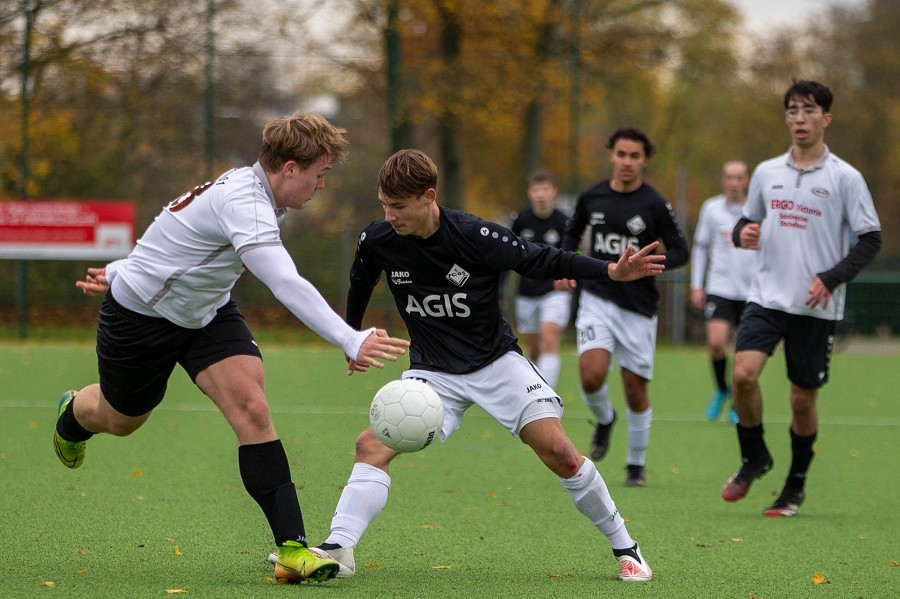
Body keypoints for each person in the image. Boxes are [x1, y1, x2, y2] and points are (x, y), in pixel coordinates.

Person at [55, 112, 411, 583]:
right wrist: (350, 336)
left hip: (206, 314)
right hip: (142, 318)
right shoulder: (245, 199)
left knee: (253, 409)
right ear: (288, 168)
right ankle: (73, 413)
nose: (321, 185)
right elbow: (283, 280)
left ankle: (292, 549)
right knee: (121, 419)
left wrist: (122, 265)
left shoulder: (262, 193)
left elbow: (184, 238)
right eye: (319, 174)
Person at [312, 149, 665, 582]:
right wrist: (352, 337)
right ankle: (338, 548)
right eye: (384, 205)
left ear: (428, 196)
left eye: (399, 207)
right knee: (371, 445)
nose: (390, 216)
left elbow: (541, 259)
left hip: (496, 363)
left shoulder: (474, 234)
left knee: (560, 453)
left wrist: (610, 270)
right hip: (433, 372)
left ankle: (626, 548)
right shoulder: (379, 239)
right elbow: (361, 278)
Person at [721, 80, 881, 517]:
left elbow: (870, 239)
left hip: (815, 306)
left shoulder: (845, 177)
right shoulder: (767, 172)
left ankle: (794, 486)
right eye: (792, 110)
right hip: (766, 297)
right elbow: (746, 224)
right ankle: (755, 456)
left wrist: (831, 278)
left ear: (825, 118)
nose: (799, 118)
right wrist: (742, 233)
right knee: (743, 375)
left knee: (801, 399)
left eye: (808, 110)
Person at [558, 127, 689, 486]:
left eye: (635, 156)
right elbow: (570, 235)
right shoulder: (591, 198)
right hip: (597, 297)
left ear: (644, 160)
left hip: (638, 308)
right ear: (611, 156)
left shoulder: (655, 204)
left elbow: (681, 250)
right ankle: (604, 419)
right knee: (591, 374)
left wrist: (649, 263)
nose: (627, 162)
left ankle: (635, 464)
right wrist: (564, 265)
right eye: (621, 154)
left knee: (635, 388)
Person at [690, 160, 756, 424]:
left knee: (744, 354)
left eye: (739, 177)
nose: (733, 183)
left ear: (747, 181)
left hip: (752, 292)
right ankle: (721, 390)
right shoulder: (711, 208)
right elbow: (701, 246)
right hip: (719, 289)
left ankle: (738, 404)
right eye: (729, 177)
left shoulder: (757, 210)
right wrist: (697, 285)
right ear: (723, 180)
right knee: (716, 344)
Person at [508, 170, 572, 388]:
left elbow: (573, 256)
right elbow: (506, 255)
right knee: (533, 349)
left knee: (549, 337)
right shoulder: (520, 221)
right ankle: (535, 387)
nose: (541, 194)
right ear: (530, 192)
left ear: (553, 191)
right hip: (526, 293)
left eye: (545, 189)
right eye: (536, 189)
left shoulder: (564, 222)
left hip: (555, 291)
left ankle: (547, 396)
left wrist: (569, 276)